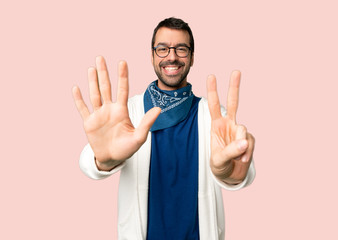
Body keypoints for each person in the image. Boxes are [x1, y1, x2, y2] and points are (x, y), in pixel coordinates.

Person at [72, 17, 256, 240]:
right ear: (151, 56)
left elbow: (241, 169)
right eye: (162, 49)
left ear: (192, 57)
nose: (172, 56)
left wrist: (232, 175)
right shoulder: (126, 111)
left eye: (181, 49)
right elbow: (87, 160)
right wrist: (103, 160)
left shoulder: (215, 116)